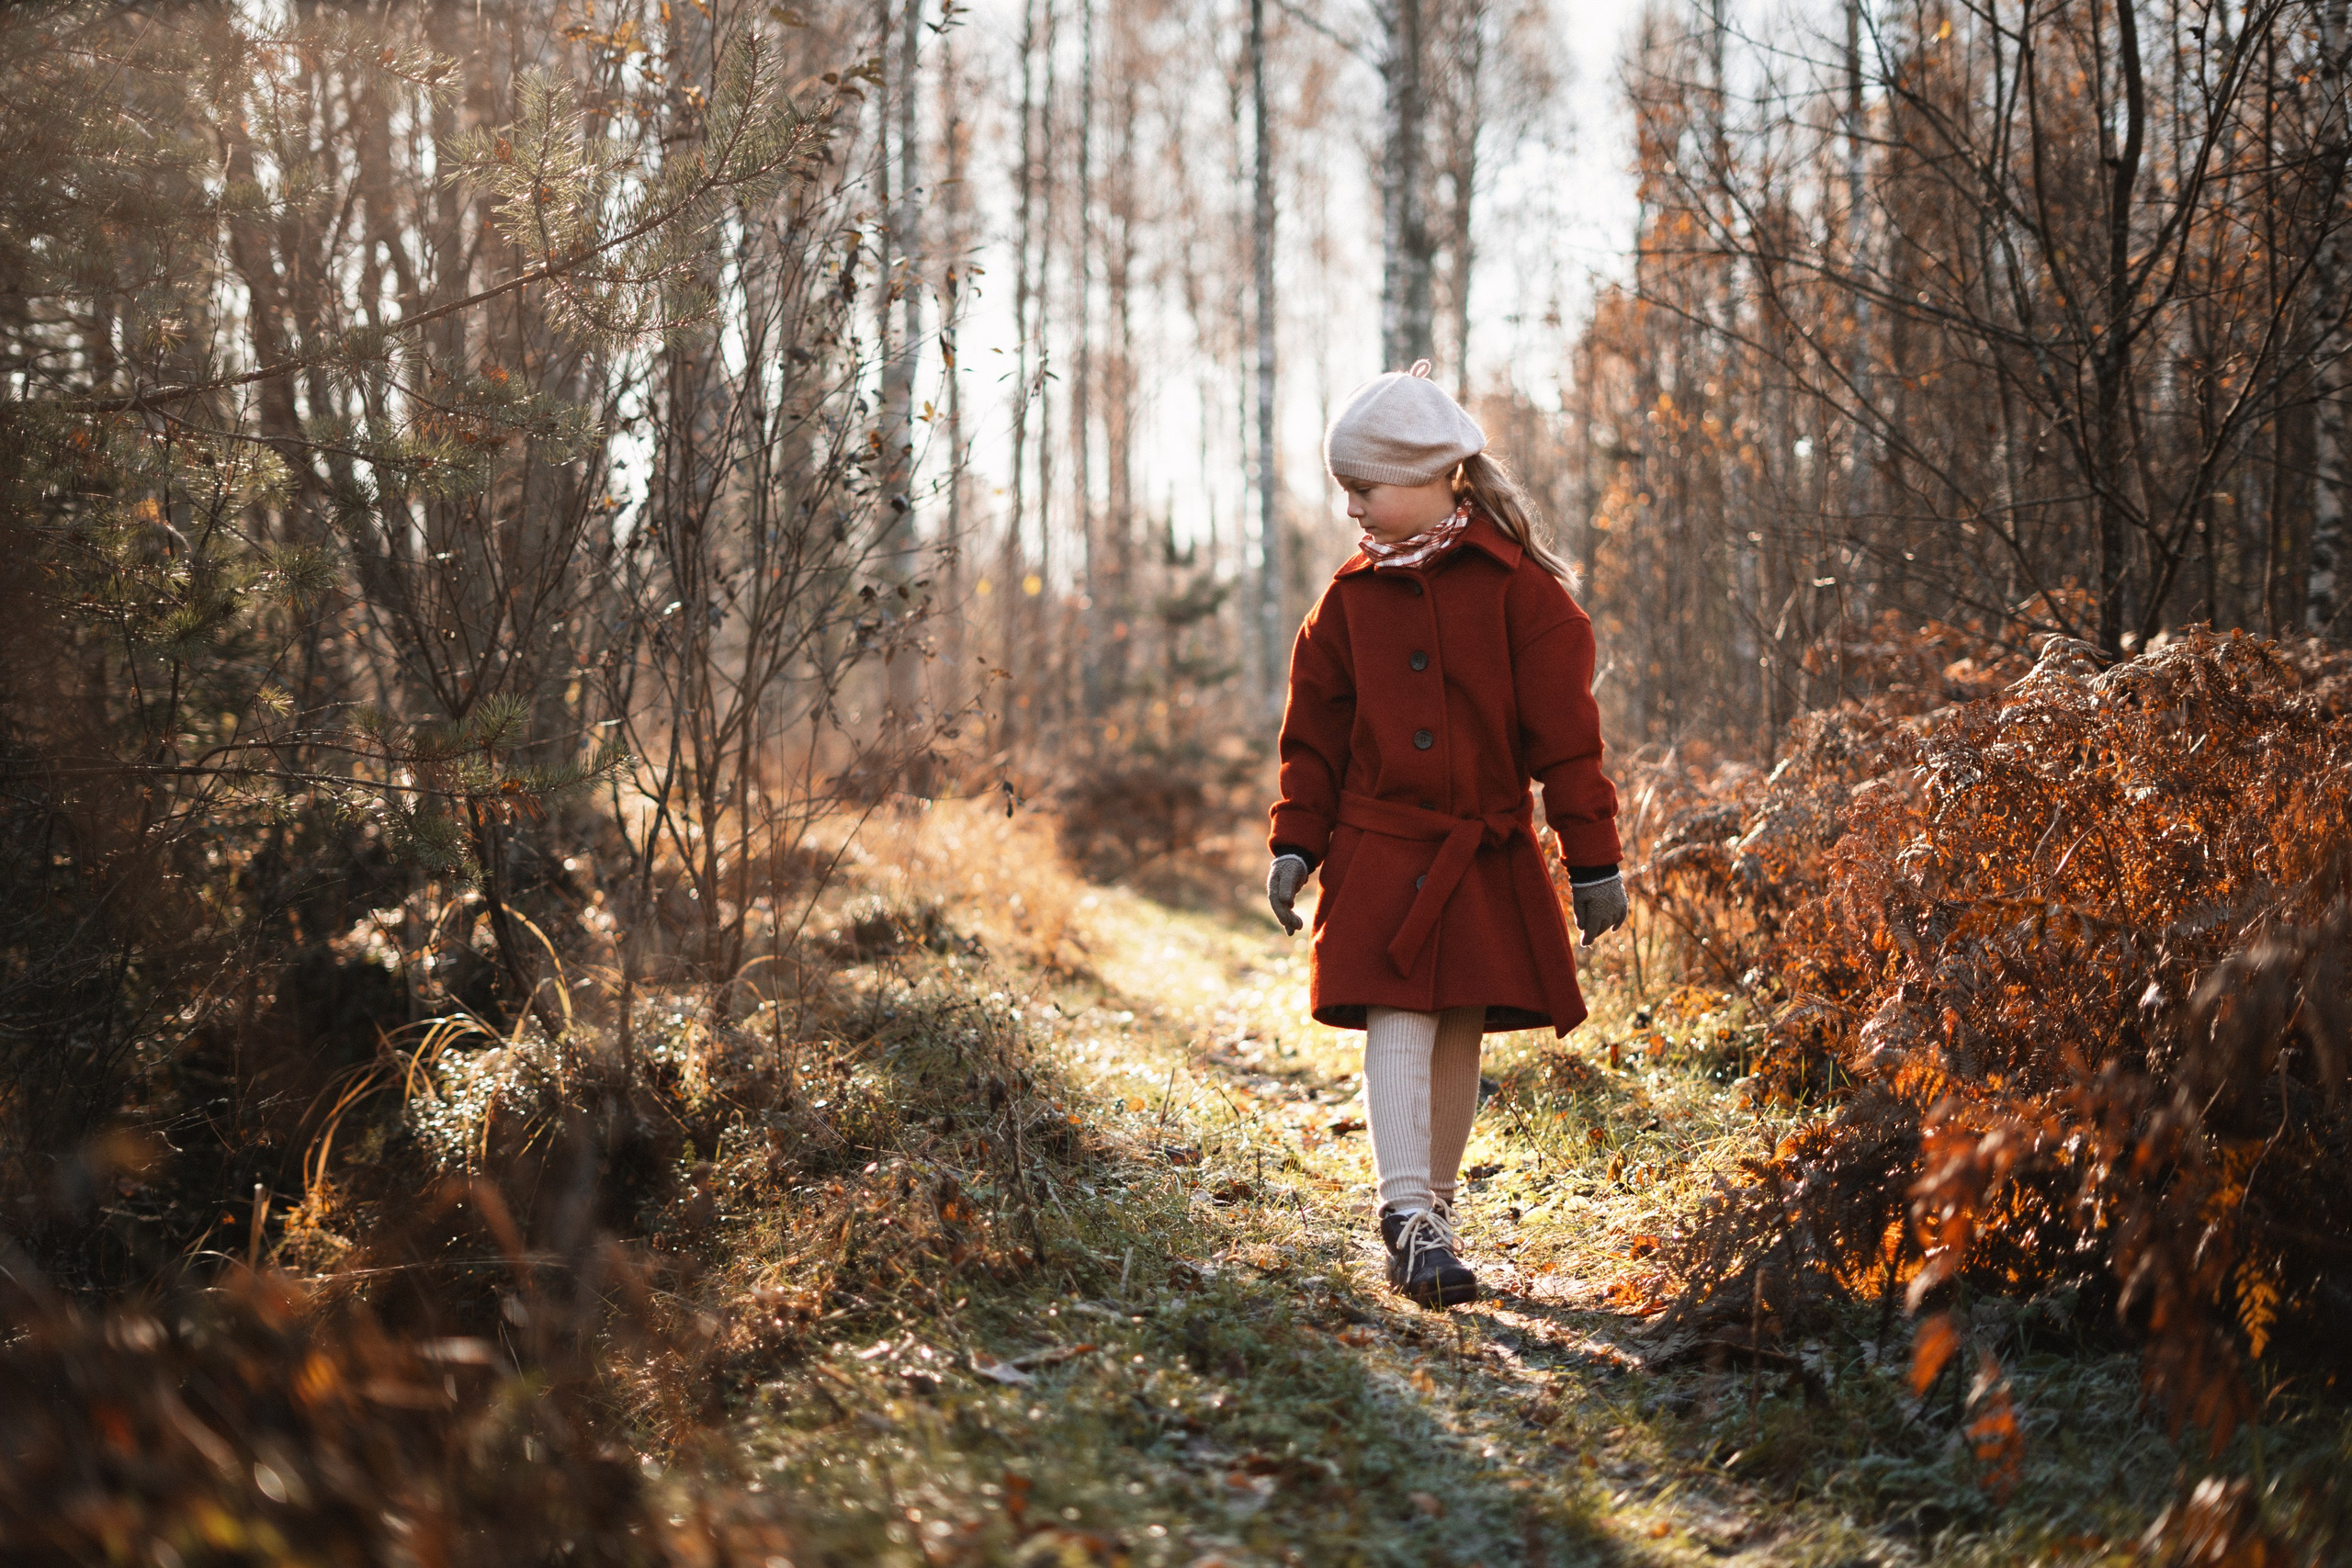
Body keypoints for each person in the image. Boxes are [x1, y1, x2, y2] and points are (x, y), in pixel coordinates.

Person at [1264, 361, 1626, 1309]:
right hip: (1381, 844)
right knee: (1397, 1013)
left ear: (1438, 477)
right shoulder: (1344, 604)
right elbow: (1313, 740)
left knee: (1458, 1020)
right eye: (1344, 490)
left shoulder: (1524, 596)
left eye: (1365, 488)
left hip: (1482, 850)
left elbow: (1568, 743)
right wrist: (1295, 844)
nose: (1352, 509)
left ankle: (1437, 1214)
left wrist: (1594, 861)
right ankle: (1404, 1216)